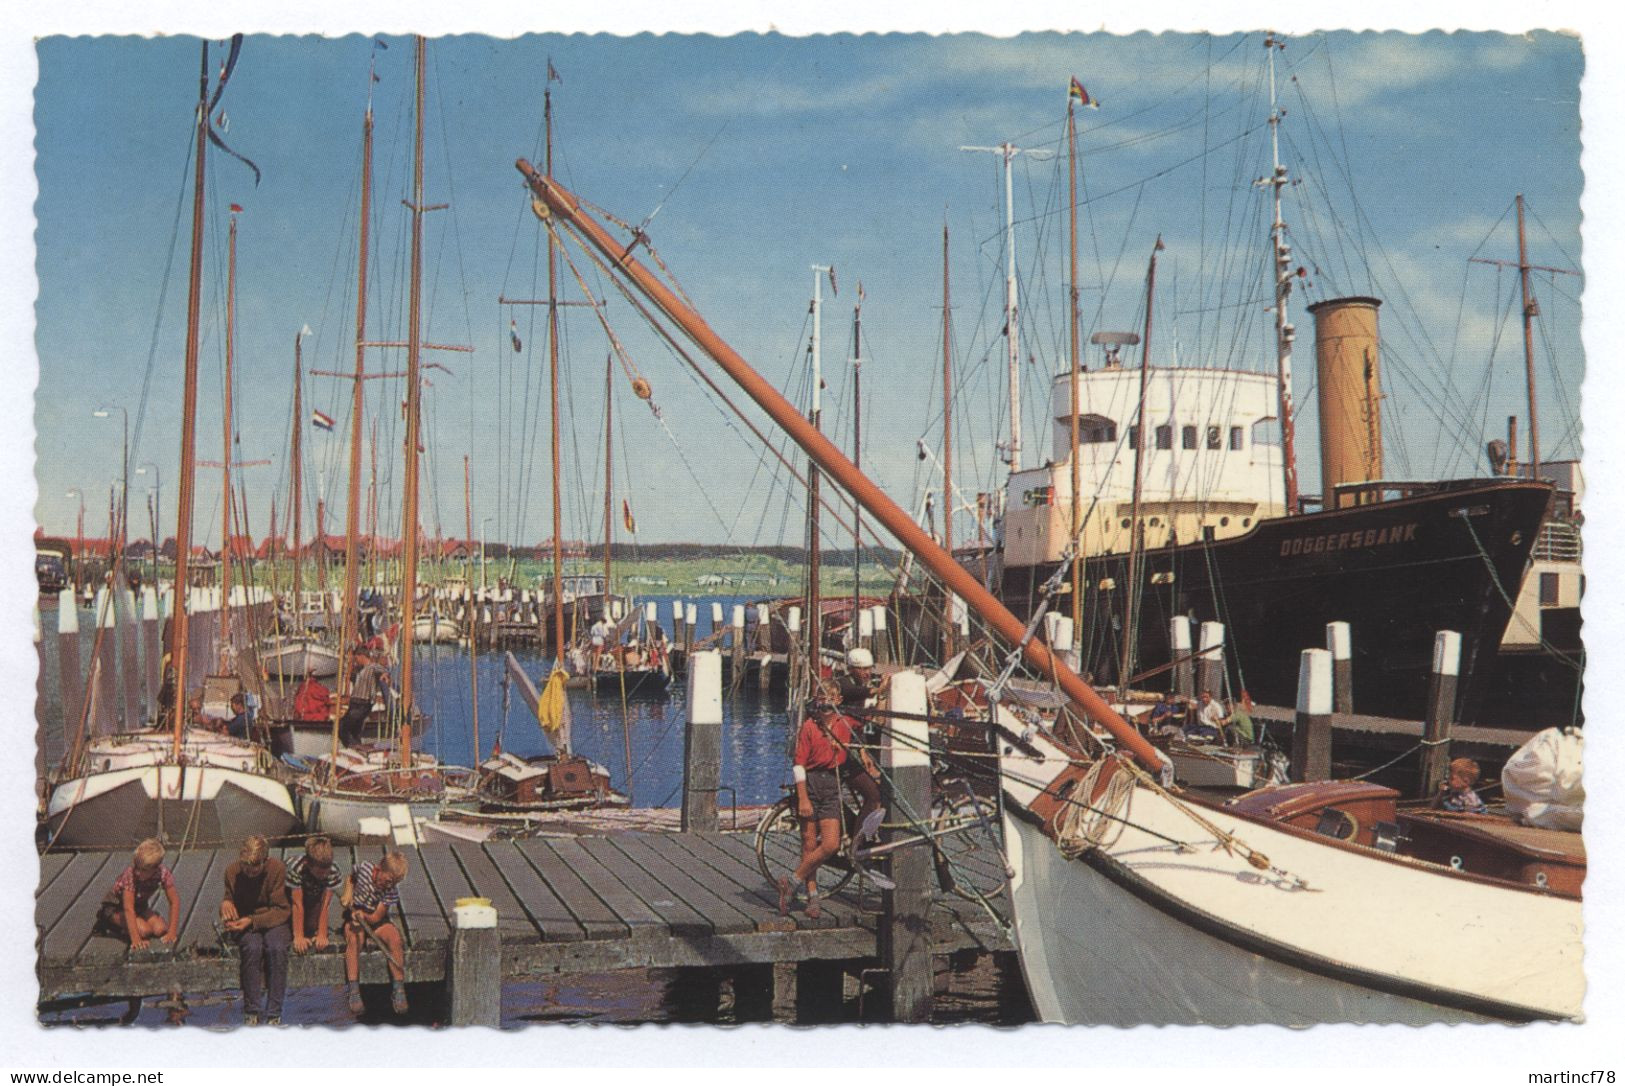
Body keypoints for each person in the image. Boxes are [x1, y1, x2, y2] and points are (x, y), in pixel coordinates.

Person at [779, 687, 851, 920]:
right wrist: (802, 797)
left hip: (831, 783)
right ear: (817, 702)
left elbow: (874, 718)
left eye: (832, 698)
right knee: (809, 842)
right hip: (810, 783)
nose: (827, 704)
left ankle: (792, 881)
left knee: (830, 844)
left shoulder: (844, 723)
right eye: (822, 699)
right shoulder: (809, 727)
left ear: (839, 700)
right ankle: (813, 897)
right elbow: (799, 764)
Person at [219, 835, 292, 1026]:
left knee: (276, 948)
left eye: (255, 867)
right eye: (246, 867)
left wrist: (252, 921)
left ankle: (274, 1012)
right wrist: (226, 905)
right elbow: (229, 898)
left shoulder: (277, 870)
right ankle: (252, 1011)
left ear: (265, 861)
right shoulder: (232, 872)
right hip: (245, 919)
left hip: (272, 919)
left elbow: (282, 910)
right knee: (252, 948)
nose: (250, 872)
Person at [344, 850, 410, 1016]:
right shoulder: (365, 868)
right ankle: (353, 990)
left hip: (373, 920)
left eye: (393, 883)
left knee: (394, 938)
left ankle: (398, 987)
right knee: (354, 939)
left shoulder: (390, 891)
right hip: (355, 918)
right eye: (386, 881)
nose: (388, 886)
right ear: (379, 868)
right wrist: (348, 893)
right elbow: (351, 878)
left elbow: (375, 917)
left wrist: (365, 916)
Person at [96, 838, 180, 950]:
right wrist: (136, 939)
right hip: (117, 907)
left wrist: (172, 932)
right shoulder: (130, 875)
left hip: (139, 906)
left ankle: (141, 919)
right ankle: (106, 920)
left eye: (143, 870)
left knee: (160, 929)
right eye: (136, 866)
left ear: (155, 869)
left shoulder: (162, 873)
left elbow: (174, 902)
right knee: (144, 931)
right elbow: (128, 909)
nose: (137, 872)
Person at [836, 648, 885, 842]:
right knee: (874, 795)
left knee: (873, 783)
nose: (867, 673)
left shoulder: (857, 686)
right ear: (851, 669)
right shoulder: (845, 685)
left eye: (868, 668)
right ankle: (858, 843)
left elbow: (861, 725)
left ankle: (857, 829)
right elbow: (867, 691)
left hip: (853, 747)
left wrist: (864, 751)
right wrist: (883, 688)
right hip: (844, 750)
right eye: (861, 669)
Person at [340, 652, 389, 748]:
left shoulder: (372, 667)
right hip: (355, 703)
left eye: (356, 658)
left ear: (362, 656)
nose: (356, 661)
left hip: (362, 703)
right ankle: (356, 746)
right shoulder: (361, 670)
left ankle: (353, 746)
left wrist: (384, 675)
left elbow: (383, 670)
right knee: (355, 730)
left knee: (342, 727)